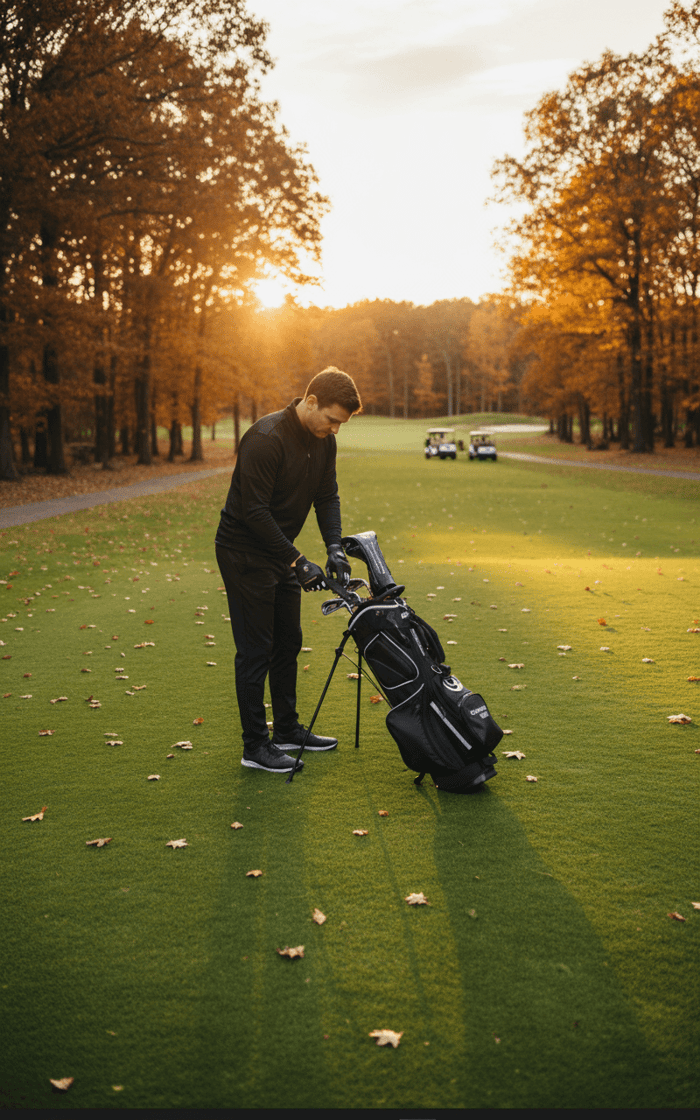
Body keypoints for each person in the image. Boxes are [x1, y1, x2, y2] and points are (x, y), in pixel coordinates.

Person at [215, 367, 361, 773]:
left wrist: (334, 547)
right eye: (332, 419)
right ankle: (255, 747)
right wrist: (297, 560)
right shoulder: (266, 439)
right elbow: (254, 512)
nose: (334, 430)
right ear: (309, 401)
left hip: (279, 554)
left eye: (341, 425)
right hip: (244, 551)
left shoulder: (323, 442)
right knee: (255, 649)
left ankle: (287, 731)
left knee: (288, 642)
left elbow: (326, 495)